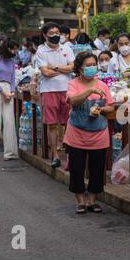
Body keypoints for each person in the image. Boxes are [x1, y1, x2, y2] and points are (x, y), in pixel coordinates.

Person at [63, 51, 114, 214]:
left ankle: (92, 201)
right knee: (76, 169)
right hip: (77, 133)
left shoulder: (103, 85)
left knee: (97, 168)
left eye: (94, 65)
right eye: (88, 65)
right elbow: (72, 101)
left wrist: (102, 109)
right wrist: (89, 91)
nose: (92, 68)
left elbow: (111, 106)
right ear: (79, 68)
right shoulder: (73, 84)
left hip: (99, 134)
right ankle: (81, 201)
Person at [36, 22, 75, 168]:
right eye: (51, 33)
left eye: (57, 32)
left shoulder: (67, 48)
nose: (55, 35)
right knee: (51, 124)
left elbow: (73, 66)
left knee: (68, 123)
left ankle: (70, 155)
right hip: (48, 90)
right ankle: (55, 155)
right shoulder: (41, 51)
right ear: (45, 35)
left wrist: (56, 68)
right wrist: (65, 70)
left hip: (67, 89)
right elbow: (45, 73)